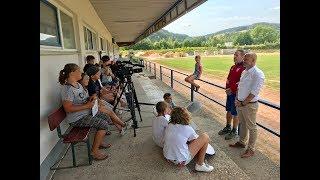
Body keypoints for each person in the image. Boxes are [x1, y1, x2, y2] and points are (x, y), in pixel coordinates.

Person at [59, 63, 111, 160]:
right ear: (72, 73)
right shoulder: (68, 89)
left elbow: (84, 98)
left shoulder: (78, 84)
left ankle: (98, 142)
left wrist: (91, 98)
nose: (81, 73)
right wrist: (87, 105)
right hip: (77, 119)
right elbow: (68, 108)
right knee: (103, 124)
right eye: (78, 71)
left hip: (85, 113)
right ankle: (94, 152)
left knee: (105, 117)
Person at [229, 52, 265, 158]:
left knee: (252, 127)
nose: (244, 61)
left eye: (246, 59)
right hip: (240, 103)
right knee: (243, 124)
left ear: (253, 61)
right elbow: (240, 86)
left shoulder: (258, 74)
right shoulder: (245, 71)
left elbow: (254, 92)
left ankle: (251, 149)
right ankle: (242, 142)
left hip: (249, 105)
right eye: (244, 59)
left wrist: (243, 102)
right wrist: (237, 99)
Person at [163, 107, 214, 172]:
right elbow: (194, 141)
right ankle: (200, 165)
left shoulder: (169, 125)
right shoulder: (187, 128)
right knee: (205, 136)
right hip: (180, 161)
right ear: (185, 116)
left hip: (168, 156)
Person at [85, 66, 127, 135]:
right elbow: (94, 97)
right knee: (110, 112)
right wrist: (100, 101)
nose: (100, 75)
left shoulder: (96, 81)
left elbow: (101, 91)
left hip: (98, 101)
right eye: (98, 74)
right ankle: (123, 125)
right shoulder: (91, 85)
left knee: (111, 111)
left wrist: (110, 91)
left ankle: (120, 128)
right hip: (94, 105)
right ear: (92, 76)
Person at [218, 50, 246, 140]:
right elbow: (228, 79)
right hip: (229, 93)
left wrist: (232, 89)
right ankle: (228, 127)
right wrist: (227, 88)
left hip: (236, 95)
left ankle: (234, 131)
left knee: (235, 113)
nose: (234, 56)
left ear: (242, 56)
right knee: (229, 110)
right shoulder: (233, 67)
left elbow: (241, 83)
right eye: (234, 55)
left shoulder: (243, 68)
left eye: (236, 55)